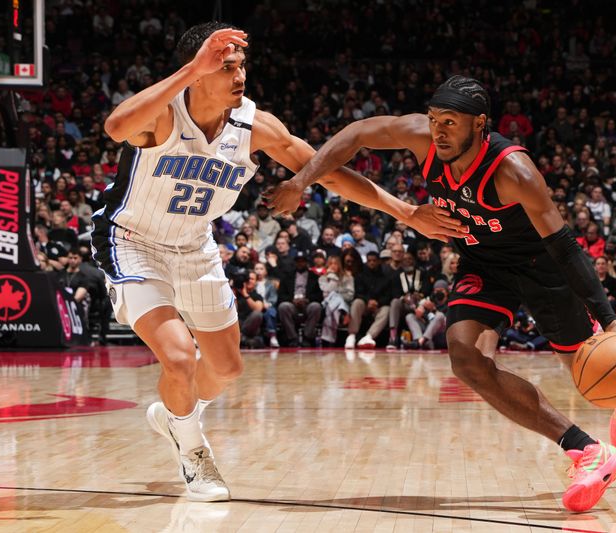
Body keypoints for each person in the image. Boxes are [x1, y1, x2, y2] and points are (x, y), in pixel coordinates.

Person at [94, 23, 457, 502]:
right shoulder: (162, 114)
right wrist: (189, 69)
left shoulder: (253, 125)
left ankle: (173, 415)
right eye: (226, 67)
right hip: (133, 240)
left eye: (241, 65)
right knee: (179, 358)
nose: (239, 75)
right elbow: (115, 126)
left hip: (194, 245)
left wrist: (406, 212)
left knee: (225, 370)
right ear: (198, 72)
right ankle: (193, 452)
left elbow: (326, 173)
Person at [269, 75, 616, 512]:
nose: (438, 130)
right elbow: (358, 134)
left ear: (480, 124)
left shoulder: (514, 172)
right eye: (433, 120)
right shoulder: (423, 140)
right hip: (484, 263)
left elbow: (565, 245)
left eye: (450, 122)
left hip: (540, 265)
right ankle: (585, 449)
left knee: (589, 370)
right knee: (465, 359)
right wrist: (302, 181)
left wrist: (609, 318)